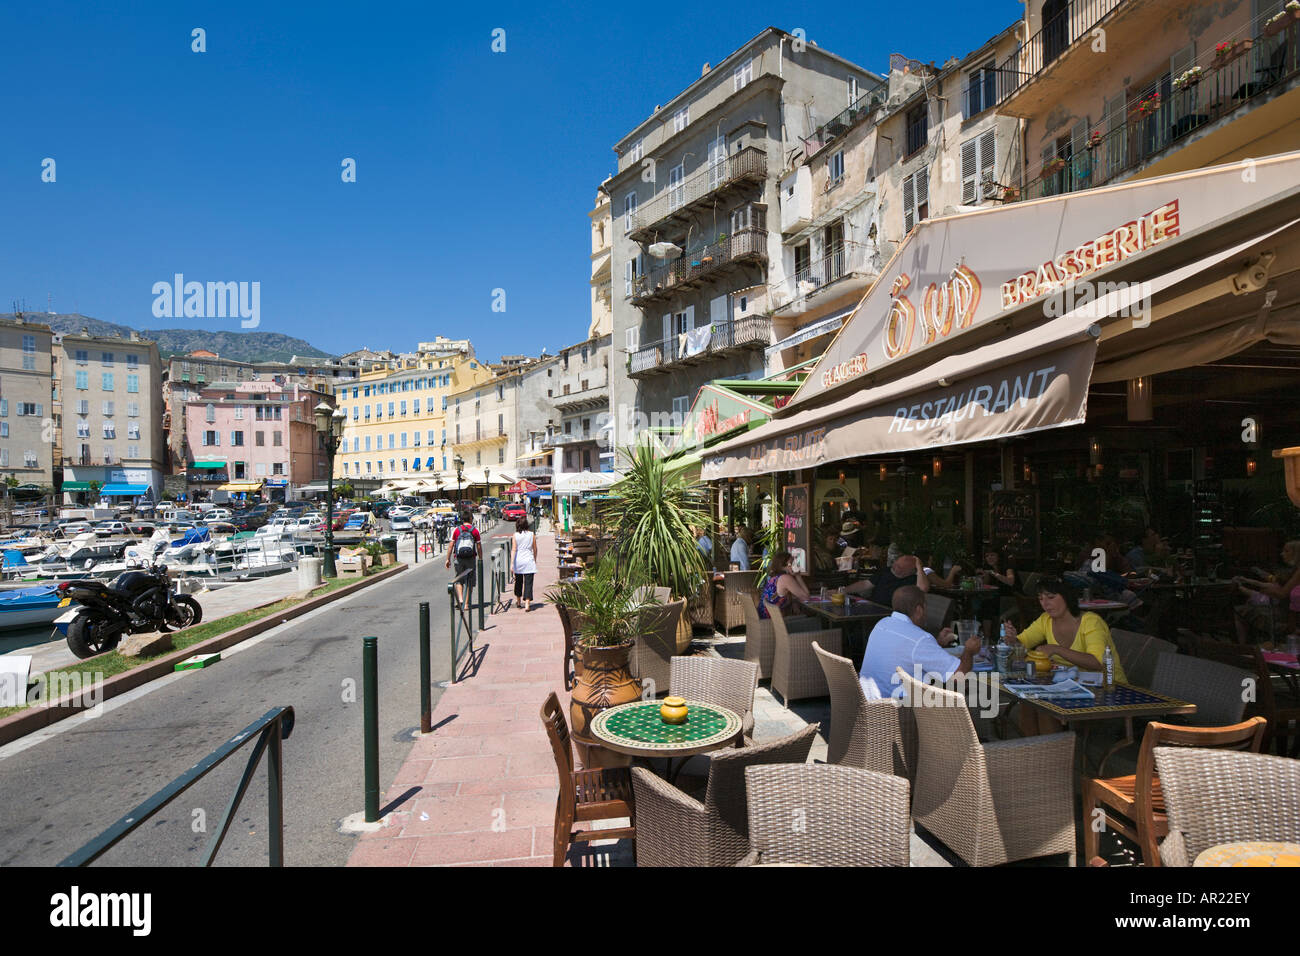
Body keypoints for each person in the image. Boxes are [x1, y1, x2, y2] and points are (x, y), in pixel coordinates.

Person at [1003, 577, 1126, 735]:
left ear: (1067, 596)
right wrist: (1013, 640)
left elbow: (1097, 662)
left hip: (1109, 691)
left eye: (1051, 597)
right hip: (1072, 688)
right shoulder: (1045, 620)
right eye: (1041, 599)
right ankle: (1034, 753)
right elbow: (1021, 645)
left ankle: (1053, 755)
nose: (1045, 603)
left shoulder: (1091, 622)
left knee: (1043, 705)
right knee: (1029, 701)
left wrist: (1056, 649)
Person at [859, 585, 980, 699]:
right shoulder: (920, 639)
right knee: (965, 690)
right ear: (919, 609)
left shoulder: (882, 623)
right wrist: (969, 651)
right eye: (925, 607)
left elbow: (907, 652)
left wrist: (937, 643)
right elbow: (959, 676)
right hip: (899, 710)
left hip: (868, 702)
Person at [1233, 541, 1300, 641]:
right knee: (1248, 606)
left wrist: (1262, 590)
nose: (1282, 554)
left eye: (1286, 551)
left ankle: (1243, 647)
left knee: (1240, 610)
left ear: (1296, 553)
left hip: (1287, 613)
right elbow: (1275, 583)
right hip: (1286, 609)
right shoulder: (1292, 570)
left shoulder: (1297, 572)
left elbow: (1282, 594)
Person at [853, 554, 929, 606]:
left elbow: (923, 589)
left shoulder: (912, 579)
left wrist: (919, 567)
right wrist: (844, 590)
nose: (894, 566)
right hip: (873, 606)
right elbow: (866, 584)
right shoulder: (886, 571)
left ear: (910, 571)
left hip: (889, 612)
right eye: (895, 563)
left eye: (899, 567)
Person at [759, 551, 811, 619]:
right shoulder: (786, 578)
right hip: (773, 622)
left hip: (764, 618)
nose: (795, 565)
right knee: (814, 619)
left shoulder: (774, 578)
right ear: (785, 565)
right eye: (792, 563)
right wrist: (798, 575)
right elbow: (806, 597)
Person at [445, 509, 482, 604]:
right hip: (471, 558)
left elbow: (450, 546)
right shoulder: (475, 531)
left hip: (459, 558)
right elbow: (478, 546)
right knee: (470, 581)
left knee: (459, 579)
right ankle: (466, 604)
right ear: (470, 518)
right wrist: (480, 558)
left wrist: (447, 559)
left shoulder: (457, 530)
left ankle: (460, 599)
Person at [511, 515, 537, 611]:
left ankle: (518, 602)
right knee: (528, 583)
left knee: (518, 581)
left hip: (519, 561)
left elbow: (513, 549)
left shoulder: (515, 535)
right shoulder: (532, 534)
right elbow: (535, 548)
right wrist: (534, 559)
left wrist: (512, 563)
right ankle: (527, 604)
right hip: (528, 560)